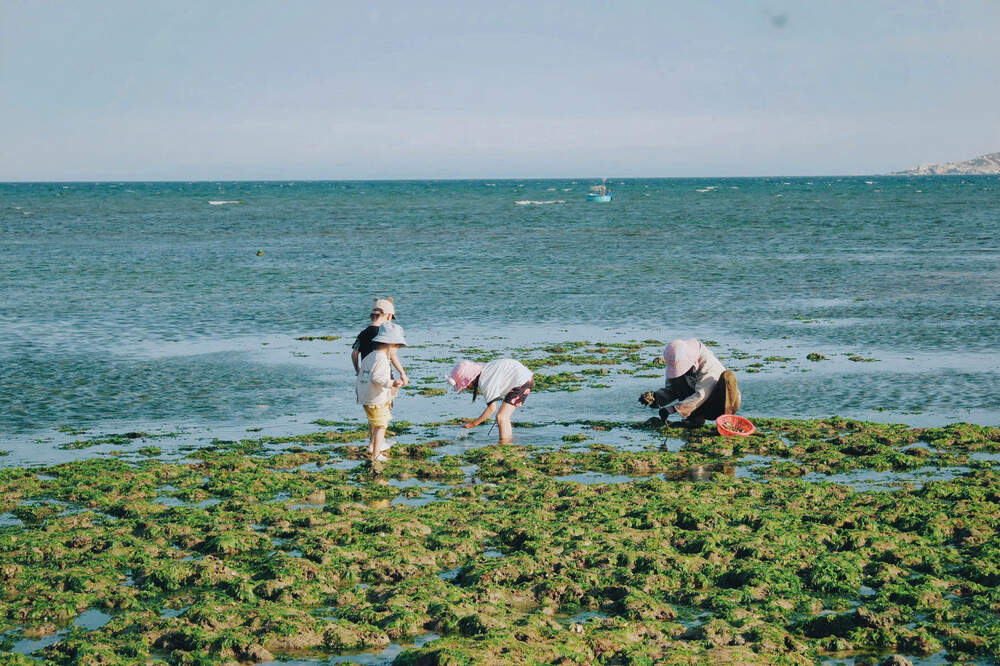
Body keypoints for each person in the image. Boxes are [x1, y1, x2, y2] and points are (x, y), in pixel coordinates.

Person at [638, 338, 741, 427]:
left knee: (728, 377)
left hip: (720, 404)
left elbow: (702, 394)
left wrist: (673, 409)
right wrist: (655, 398)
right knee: (678, 378)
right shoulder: (677, 361)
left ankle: (727, 422)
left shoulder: (708, 363)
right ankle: (695, 419)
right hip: (700, 406)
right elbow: (673, 389)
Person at [448, 358, 534, 443]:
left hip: (522, 382)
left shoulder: (485, 381)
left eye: (466, 386)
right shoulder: (486, 371)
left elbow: (492, 408)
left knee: (501, 417)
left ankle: (504, 444)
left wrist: (473, 423)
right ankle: (508, 441)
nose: (466, 388)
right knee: (504, 417)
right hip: (523, 377)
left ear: (470, 380)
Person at [356, 322, 407, 462]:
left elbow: (362, 375)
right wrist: (393, 383)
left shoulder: (371, 356)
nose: (397, 351)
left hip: (367, 397)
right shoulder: (381, 359)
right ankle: (376, 454)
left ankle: (372, 447)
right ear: (390, 345)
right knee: (381, 426)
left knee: (375, 422)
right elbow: (377, 378)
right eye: (397, 347)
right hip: (375, 399)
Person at [352, 297, 408, 387]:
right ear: (389, 316)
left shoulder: (363, 333)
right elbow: (392, 354)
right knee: (385, 399)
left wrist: (358, 370)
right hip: (384, 375)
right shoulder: (385, 334)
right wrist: (402, 373)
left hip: (366, 375)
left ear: (372, 316)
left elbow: (354, 354)